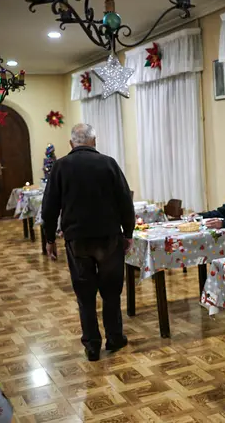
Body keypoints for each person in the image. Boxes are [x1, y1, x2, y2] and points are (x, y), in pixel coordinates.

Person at [42, 123, 135, 362]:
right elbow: (125, 201)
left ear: (71, 143)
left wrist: (49, 238)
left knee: (85, 295)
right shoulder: (108, 163)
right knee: (111, 292)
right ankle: (114, 338)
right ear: (94, 142)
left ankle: (92, 345)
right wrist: (128, 233)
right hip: (108, 238)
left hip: (77, 239)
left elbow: (50, 206)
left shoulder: (60, 166)